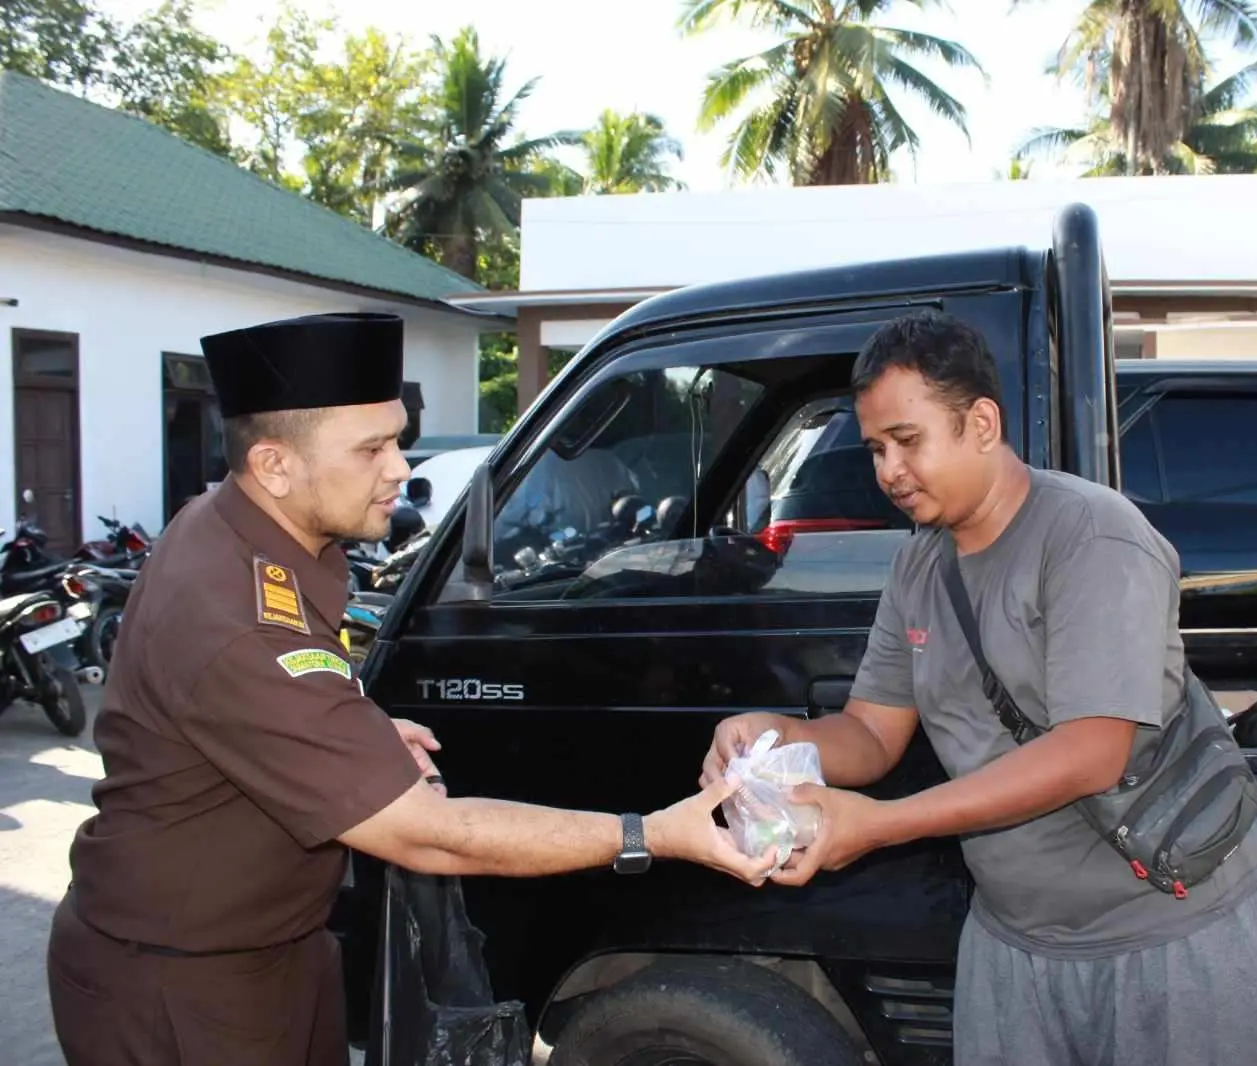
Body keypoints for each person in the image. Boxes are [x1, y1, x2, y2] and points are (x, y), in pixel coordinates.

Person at [47, 311, 776, 1066]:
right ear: (273, 465)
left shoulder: (257, 531)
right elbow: (424, 832)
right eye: (370, 449)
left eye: (397, 437)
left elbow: (257, 708)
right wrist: (649, 833)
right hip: (181, 986)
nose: (399, 467)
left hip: (272, 953)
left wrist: (349, 729)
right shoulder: (236, 616)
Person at [701, 310, 1257, 1065]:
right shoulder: (919, 566)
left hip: (1167, 938)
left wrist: (877, 825)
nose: (888, 471)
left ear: (983, 424)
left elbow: (1091, 752)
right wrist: (769, 734)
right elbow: (870, 734)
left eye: (908, 441)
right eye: (874, 449)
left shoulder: (1092, 537)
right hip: (1015, 949)